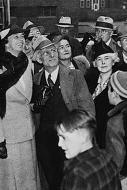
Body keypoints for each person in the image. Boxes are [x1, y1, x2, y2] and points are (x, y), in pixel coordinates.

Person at [32, 37, 95, 190]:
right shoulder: (35, 80)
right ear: (40, 59)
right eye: (46, 53)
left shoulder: (74, 76)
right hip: (45, 143)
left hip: (70, 139)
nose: (52, 55)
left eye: (53, 51)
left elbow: (88, 108)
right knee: (52, 181)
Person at [0, 25, 40, 190]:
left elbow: (27, 97)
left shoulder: (27, 62)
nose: (21, 40)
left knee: (29, 181)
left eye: (22, 36)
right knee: (12, 182)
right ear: (6, 43)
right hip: (9, 135)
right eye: (15, 37)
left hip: (28, 131)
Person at [55, 109, 122, 190]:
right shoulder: (107, 157)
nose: (59, 144)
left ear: (83, 136)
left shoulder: (78, 174)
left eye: (63, 137)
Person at [85, 40, 126, 149]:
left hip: (112, 136)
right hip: (91, 135)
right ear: (95, 63)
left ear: (113, 61)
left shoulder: (119, 83)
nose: (103, 62)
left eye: (106, 58)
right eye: (99, 59)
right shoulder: (88, 83)